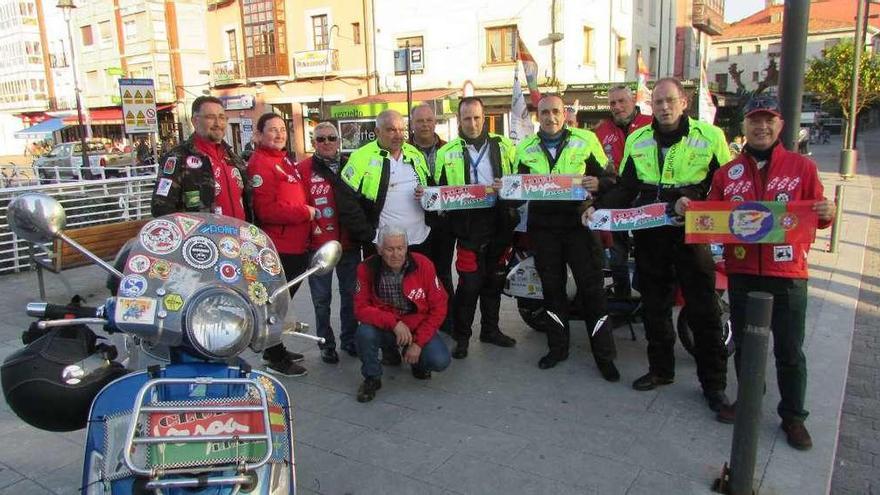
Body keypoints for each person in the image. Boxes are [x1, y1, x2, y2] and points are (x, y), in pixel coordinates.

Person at [593, 77, 731, 412]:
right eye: (658, 102)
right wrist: (596, 210)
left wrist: (692, 198)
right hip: (650, 232)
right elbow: (626, 187)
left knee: (703, 309)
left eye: (671, 100)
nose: (665, 107)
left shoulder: (710, 137)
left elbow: (726, 185)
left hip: (691, 234)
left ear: (684, 101)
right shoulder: (638, 139)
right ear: (650, 106)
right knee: (654, 306)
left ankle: (714, 387)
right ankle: (661, 370)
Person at [708, 96, 835, 450]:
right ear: (743, 126)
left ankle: (793, 416)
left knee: (789, 349)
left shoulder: (801, 168)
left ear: (779, 125)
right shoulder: (726, 172)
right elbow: (713, 217)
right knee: (747, 346)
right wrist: (692, 209)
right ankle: (748, 401)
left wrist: (828, 210)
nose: (761, 127)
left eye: (769, 120)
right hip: (742, 269)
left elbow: (820, 217)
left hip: (788, 273)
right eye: (754, 120)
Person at [151, 98, 306, 376]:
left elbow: (248, 204)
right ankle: (198, 369)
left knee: (231, 309)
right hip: (199, 253)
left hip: (234, 249)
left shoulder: (233, 157)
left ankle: (232, 360)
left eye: (222, 117)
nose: (218, 123)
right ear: (194, 119)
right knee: (200, 312)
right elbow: (161, 210)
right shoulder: (179, 158)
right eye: (210, 117)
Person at [515, 94, 620, 381]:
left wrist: (599, 183)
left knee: (593, 291)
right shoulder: (524, 148)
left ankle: (604, 356)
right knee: (552, 290)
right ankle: (557, 348)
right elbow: (515, 190)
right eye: (545, 112)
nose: (550, 117)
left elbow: (611, 179)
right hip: (544, 228)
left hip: (580, 226)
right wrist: (505, 188)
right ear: (538, 115)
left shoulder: (586, 140)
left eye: (556, 112)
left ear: (564, 113)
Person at [434, 96, 519, 359]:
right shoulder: (446, 152)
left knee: (493, 281)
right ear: (459, 120)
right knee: (469, 286)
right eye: (467, 118)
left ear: (485, 118)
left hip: (499, 222)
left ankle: (490, 330)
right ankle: (462, 337)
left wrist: (507, 186)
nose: (472, 123)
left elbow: (519, 182)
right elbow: (438, 192)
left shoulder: (504, 145)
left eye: (477, 118)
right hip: (468, 228)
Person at [246, 112, 317, 377]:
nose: (278, 134)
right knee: (274, 304)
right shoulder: (261, 164)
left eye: (281, 129)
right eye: (272, 130)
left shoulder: (283, 160)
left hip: (297, 245)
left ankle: (276, 347)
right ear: (259, 135)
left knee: (282, 303)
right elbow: (266, 211)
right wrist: (304, 213)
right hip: (279, 247)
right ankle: (273, 357)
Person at [297, 122, 373, 363]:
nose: (327, 143)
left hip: (348, 244)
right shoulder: (303, 169)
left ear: (339, 141)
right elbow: (300, 206)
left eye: (331, 138)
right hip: (319, 246)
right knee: (321, 300)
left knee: (350, 295)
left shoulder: (352, 165)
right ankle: (325, 343)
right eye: (321, 139)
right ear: (313, 143)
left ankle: (348, 340)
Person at [353, 225, 451, 403]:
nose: (396, 254)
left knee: (440, 360)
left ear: (407, 247)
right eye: (390, 249)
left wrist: (419, 343)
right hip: (387, 325)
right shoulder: (366, 268)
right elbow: (360, 309)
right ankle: (372, 378)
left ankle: (417, 361)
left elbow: (439, 307)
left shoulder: (423, 264)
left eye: (400, 248)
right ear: (380, 249)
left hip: (416, 327)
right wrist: (394, 323)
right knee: (364, 333)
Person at [340, 110, 431, 254]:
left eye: (401, 130)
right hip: (383, 245)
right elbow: (346, 203)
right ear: (377, 131)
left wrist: (426, 193)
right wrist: (369, 236)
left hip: (419, 240)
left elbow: (430, 189)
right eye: (391, 130)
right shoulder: (360, 157)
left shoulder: (415, 154)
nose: (398, 135)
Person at [594, 85, 653, 299]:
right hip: (616, 197)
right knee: (617, 252)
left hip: (647, 198)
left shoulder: (651, 124)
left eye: (622, 101)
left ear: (633, 101)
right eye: (612, 103)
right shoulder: (602, 131)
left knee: (647, 253)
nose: (617, 107)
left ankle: (648, 297)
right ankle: (622, 296)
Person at [408, 103, 454, 335]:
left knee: (444, 273)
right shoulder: (403, 151)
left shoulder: (450, 149)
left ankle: (448, 321)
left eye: (429, 120)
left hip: (444, 222)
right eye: (419, 121)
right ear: (412, 124)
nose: (425, 125)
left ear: (435, 122)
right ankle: (422, 322)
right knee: (420, 274)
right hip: (415, 222)